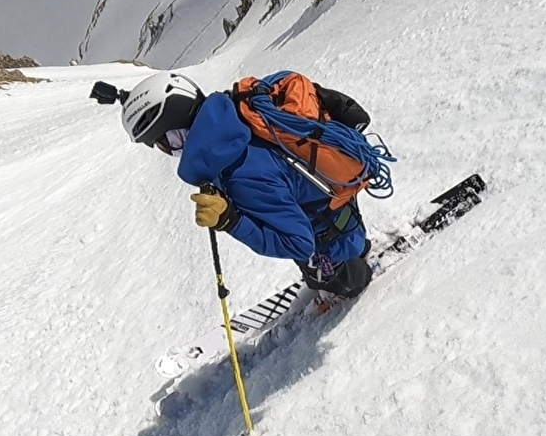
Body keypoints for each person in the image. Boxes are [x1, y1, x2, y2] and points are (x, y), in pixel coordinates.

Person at [107, 71, 377, 301]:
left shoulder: (242, 175)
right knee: (327, 226)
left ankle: (355, 281)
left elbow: (299, 244)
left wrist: (231, 221)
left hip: (327, 233)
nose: (172, 152)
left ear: (179, 130)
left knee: (334, 280)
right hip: (332, 193)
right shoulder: (236, 112)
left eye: (168, 143)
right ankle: (357, 251)